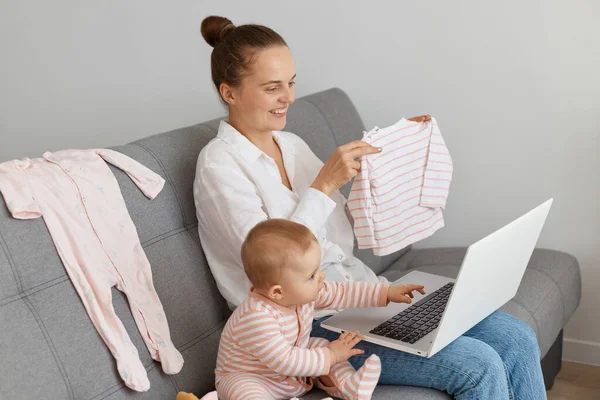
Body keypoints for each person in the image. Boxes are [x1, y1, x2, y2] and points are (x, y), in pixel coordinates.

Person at [194, 15, 547, 399]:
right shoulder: (219, 166)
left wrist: (396, 150)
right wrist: (324, 184)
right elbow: (275, 265)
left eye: (291, 83)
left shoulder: (291, 144)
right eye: (272, 87)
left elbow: (347, 229)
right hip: (303, 326)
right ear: (229, 93)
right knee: (478, 365)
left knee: (516, 337)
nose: (289, 98)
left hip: (360, 295)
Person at [215, 218, 426, 400]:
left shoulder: (302, 295)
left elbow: (342, 293)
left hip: (286, 372)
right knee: (243, 390)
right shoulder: (256, 318)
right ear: (277, 292)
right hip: (253, 377)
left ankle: (349, 386)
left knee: (320, 344)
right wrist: (331, 355)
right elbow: (285, 361)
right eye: (312, 275)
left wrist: (386, 293)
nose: (321, 277)